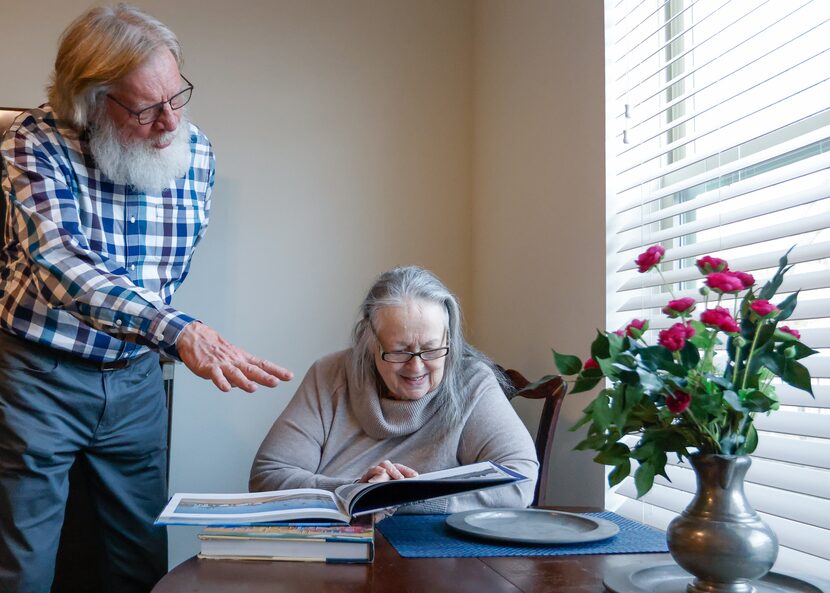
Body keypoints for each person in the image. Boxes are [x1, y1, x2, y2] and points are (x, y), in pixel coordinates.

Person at [0, 5, 293, 593]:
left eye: (177, 96)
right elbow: (61, 264)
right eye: (145, 108)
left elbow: (167, 271)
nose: (169, 122)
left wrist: (162, 335)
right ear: (89, 102)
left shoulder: (197, 154)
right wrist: (179, 331)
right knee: (22, 566)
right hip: (38, 374)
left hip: (135, 380)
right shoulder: (33, 146)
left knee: (140, 558)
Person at [250, 266, 537, 513]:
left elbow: (520, 479)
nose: (417, 368)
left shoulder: (471, 382)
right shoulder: (329, 374)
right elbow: (267, 476)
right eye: (399, 351)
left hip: (437, 554)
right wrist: (357, 493)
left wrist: (409, 497)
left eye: (432, 349)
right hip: (335, 541)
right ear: (369, 340)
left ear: (448, 337)